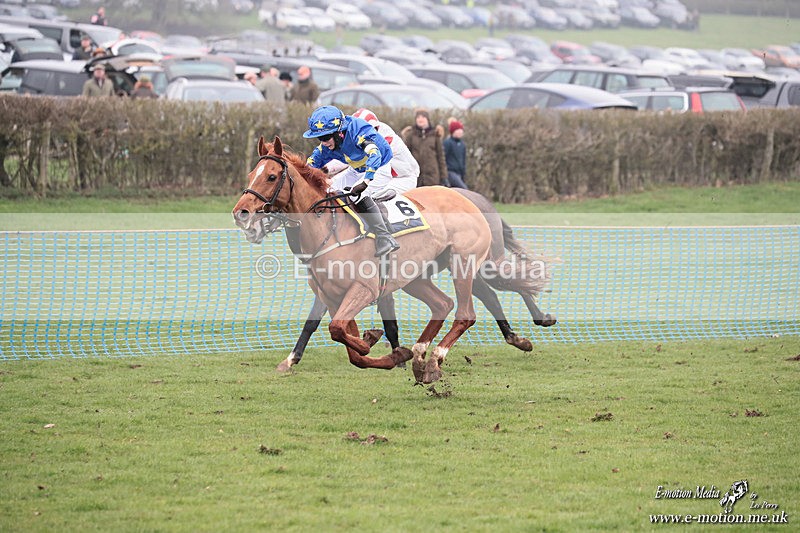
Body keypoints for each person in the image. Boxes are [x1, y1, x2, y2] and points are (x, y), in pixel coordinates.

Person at [303, 105, 399, 257]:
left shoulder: (359, 133)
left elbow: (374, 154)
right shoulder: (330, 143)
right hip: (357, 169)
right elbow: (311, 164)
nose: (323, 142)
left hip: (380, 165)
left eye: (325, 137)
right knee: (328, 192)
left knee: (357, 194)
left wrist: (365, 182)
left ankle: (385, 237)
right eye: (319, 138)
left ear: (338, 133)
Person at [401, 108, 448, 187]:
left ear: (427, 119)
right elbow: (405, 155)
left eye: (423, 117)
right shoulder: (411, 135)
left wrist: (444, 177)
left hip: (432, 176)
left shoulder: (435, 135)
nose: (420, 119)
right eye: (418, 117)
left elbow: (441, 157)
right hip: (416, 176)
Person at [443, 118, 468, 189]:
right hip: (450, 172)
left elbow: (463, 160)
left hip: (459, 173)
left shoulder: (462, 144)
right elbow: (444, 158)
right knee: (464, 189)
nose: (460, 132)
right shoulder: (447, 143)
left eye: (461, 130)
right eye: (458, 130)